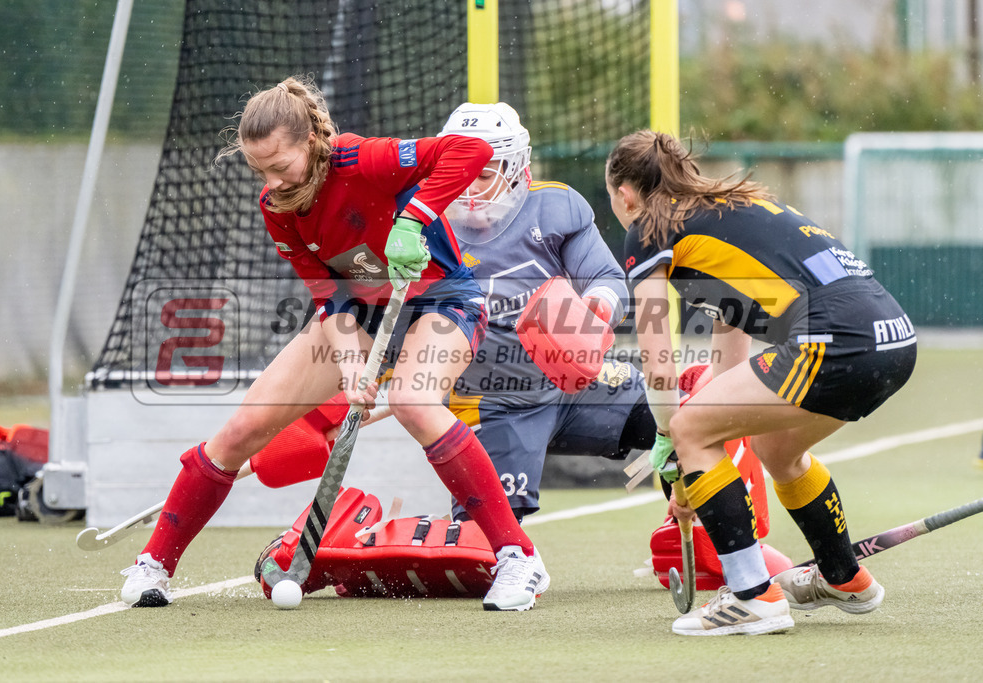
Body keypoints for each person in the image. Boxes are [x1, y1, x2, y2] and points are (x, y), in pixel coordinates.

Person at [118, 76, 548, 612]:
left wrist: (414, 220)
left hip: (442, 300)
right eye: (261, 171)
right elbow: (328, 295)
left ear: (311, 143)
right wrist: (351, 369)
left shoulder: (364, 160)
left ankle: (517, 557)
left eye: (282, 166)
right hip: (357, 310)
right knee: (243, 428)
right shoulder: (277, 209)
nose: (273, 183)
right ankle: (154, 565)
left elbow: (470, 150)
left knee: (415, 402)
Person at [606, 130, 917, 636]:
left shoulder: (648, 229)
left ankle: (753, 597)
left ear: (625, 194)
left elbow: (658, 365)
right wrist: (696, 466)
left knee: (686, 426)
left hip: (835, 338)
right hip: (893, 338)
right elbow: (728, 370)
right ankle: (843, 577)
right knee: (773, 445)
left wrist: (672, 443)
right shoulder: (732, 211)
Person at [436, 102, 658, 521]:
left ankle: (707, 543)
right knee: (486, 547)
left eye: (482, 174)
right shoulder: (423, 229)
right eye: (460, 171)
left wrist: (589, 317)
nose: (468, 188)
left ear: (516, 169)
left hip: (575, 383)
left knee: (682, 420)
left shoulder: (555, 208)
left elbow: (609, 281)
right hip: (491, 403)